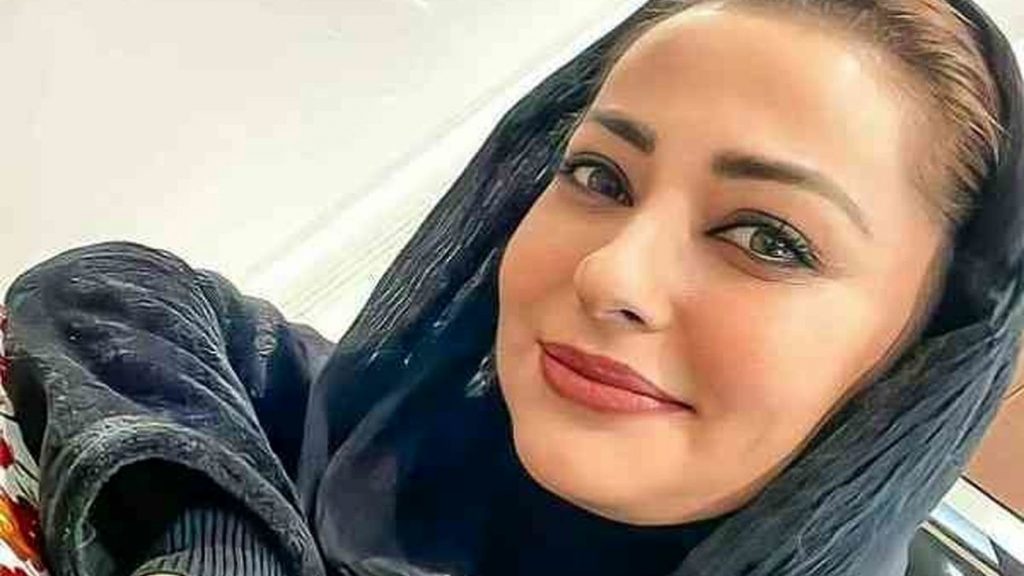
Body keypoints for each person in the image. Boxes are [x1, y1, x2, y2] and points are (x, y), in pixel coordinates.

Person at [3, 0, 1023, 574]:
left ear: (924, 358)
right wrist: (215, 539)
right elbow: (110, 294)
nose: (611, 273)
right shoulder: (394, 448)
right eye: (600, 177)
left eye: (768, 238)